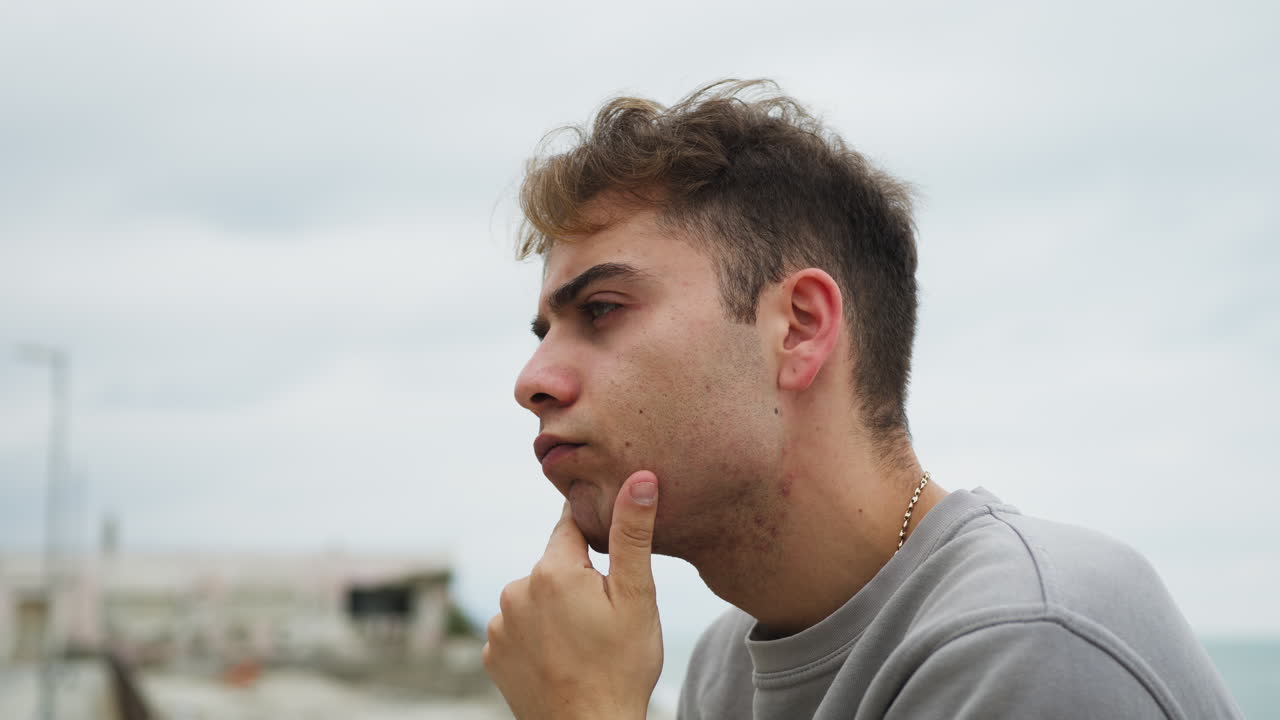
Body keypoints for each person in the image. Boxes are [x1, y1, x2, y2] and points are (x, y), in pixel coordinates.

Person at [482, 79, 1242, 719]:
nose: (533, 381)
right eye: (544, 330)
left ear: (800, 329)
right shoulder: (725, 672)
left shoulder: (1029, 636)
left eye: (602, 311)